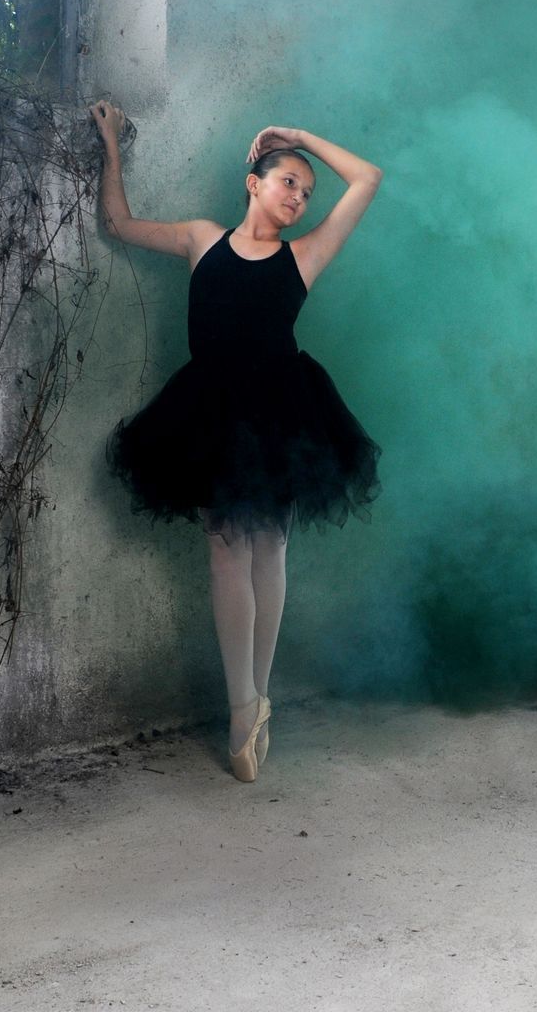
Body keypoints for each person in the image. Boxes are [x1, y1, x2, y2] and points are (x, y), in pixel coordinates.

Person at [91, 100, 383, 782]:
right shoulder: (202, 239)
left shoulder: (304, 256)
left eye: (308, 193)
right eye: (289, 182)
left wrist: (300, 133)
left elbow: (367, 178)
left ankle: (258, 698)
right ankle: (242, 707)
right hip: (213, 410)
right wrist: (110, 144)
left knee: (270, 550)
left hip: (283, 411)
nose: (301, 199)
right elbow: (120, 224)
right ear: (253, 182)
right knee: (228, 555)